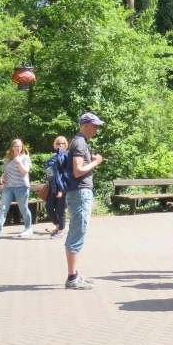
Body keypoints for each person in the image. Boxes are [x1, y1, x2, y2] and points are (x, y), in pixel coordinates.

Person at [65, 112, 105, 290]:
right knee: (77, 232)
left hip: (80, 193)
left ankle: (74, 274)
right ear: (85, 125)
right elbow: (78, 170)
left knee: (77, 230)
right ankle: (72, 278)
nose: (97, 128)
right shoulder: (80, 142)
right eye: (94, 125)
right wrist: (96, 162)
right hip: (80, 193)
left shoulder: (81, 142)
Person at [0, 139, 33, 238]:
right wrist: (2, 178)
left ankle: (28, 229)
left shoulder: (24, 158)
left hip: (21, 187)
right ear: (11, 147)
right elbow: (4, 173)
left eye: (20, 146)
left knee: (23, 209)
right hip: (8, 187)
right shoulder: (7, 160)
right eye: (16, 146)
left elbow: (25, 172)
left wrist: (19, 162)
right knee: (3, 208)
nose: (18, 148)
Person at [44, 136, 69, 237]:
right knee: (49, 207)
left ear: (66, 145)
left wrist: (61, 189)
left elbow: (63, 174)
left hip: (62, 187)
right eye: (59, 143)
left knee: (60, 210)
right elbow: (50, 172)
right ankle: (58, 226)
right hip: (52, 187)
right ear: (55, 144)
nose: (60, 145)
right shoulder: (53, 156)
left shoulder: (66, 156)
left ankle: (60, 232)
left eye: (63, 143)